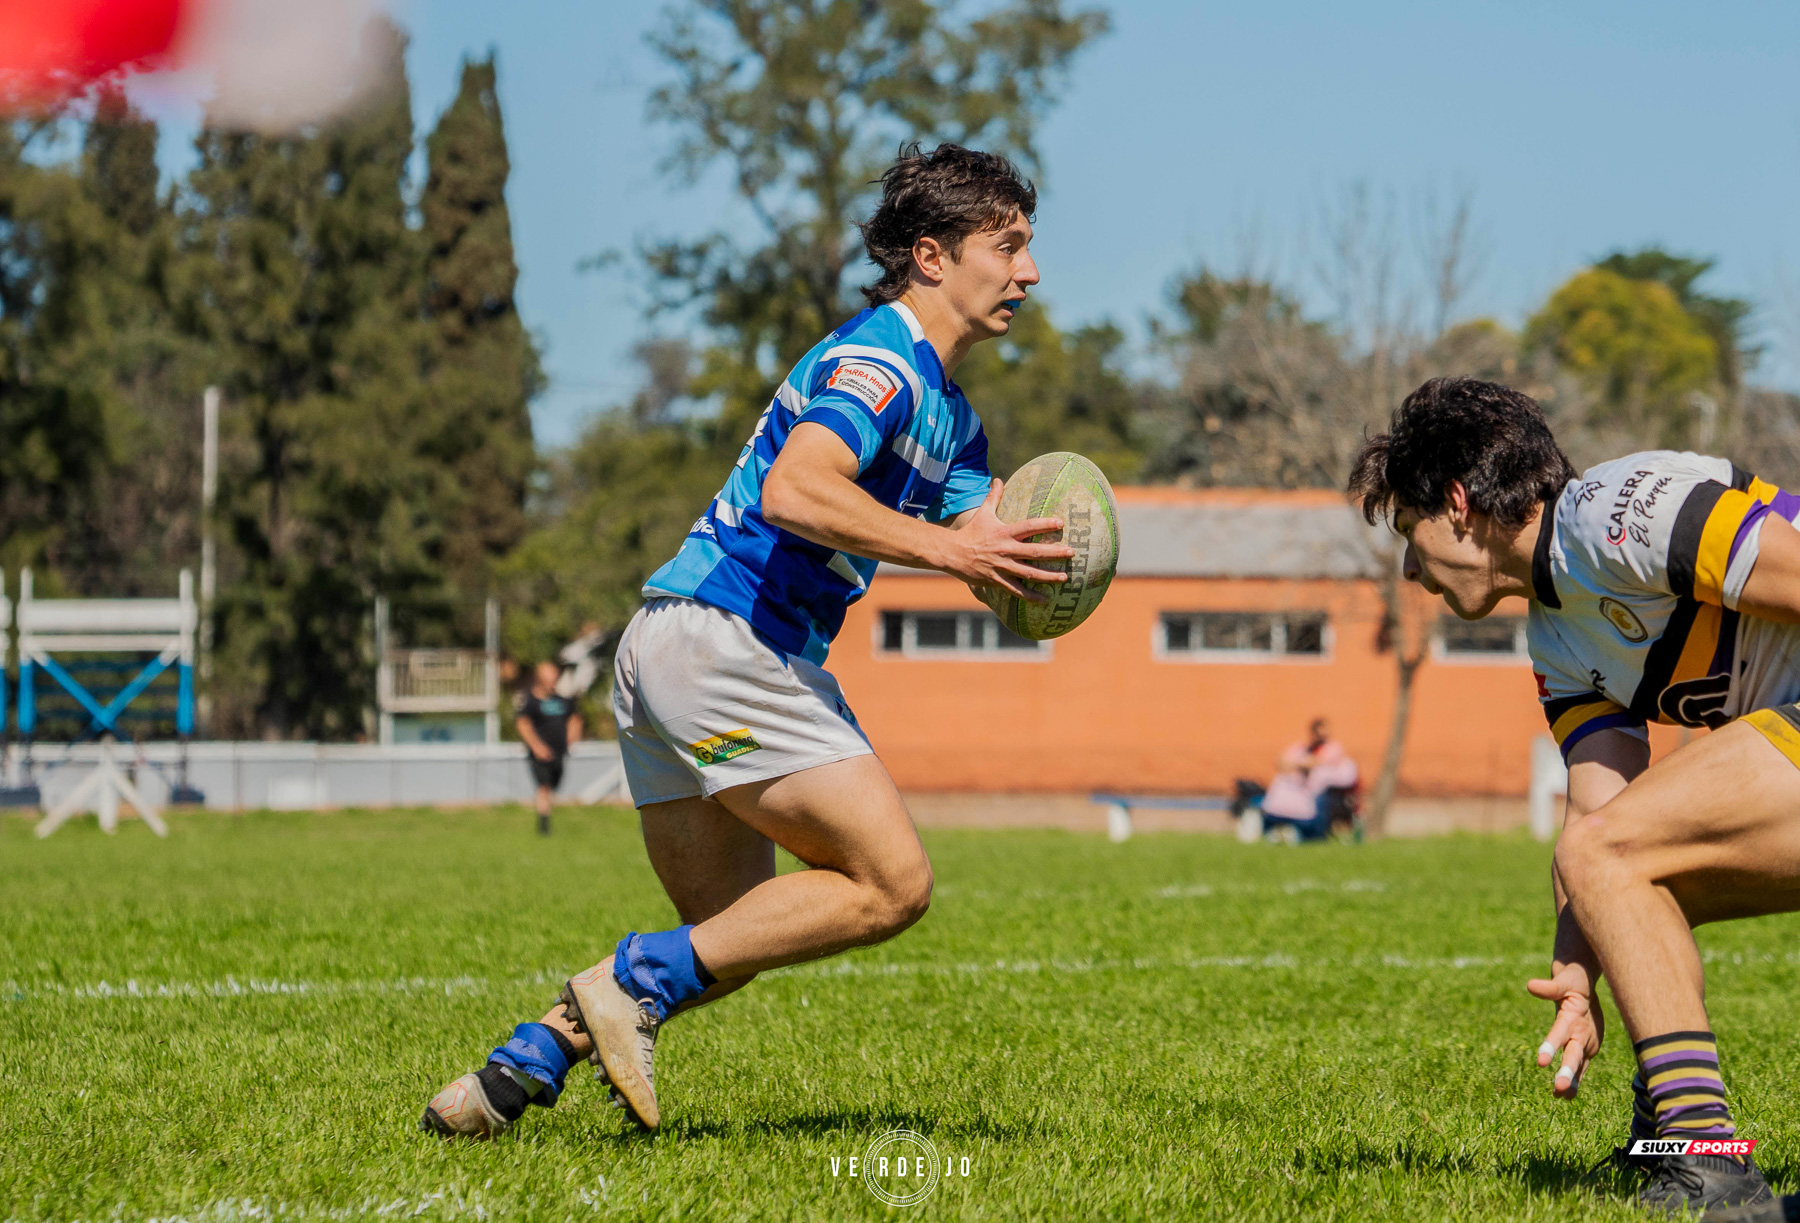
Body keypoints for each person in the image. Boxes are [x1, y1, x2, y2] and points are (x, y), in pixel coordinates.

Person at [422, 143, 1071, 1138]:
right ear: (933, 255)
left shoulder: (952, 416)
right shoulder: (881, 363)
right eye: (1010, 245)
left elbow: (982, 537)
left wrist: (1040, 565)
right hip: (730, 642)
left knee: (727, 940)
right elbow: (797, 489)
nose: (1029, 271)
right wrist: (947, 547)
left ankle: (512, 1071)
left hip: (676, 647)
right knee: (892, 884)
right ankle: (624, 977)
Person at [1349, 375, 1800, 1217]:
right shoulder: (1556, 636)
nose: (1411, 568)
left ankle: (1711, 1172)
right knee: (1633, 871)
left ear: (1457, 504)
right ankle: (1678, 1113)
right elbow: (1600, 816)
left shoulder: (1613, 512)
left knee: (1610, 857)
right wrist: (1579, 970)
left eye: (1409, 534)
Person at [1258, 717, 1359, 842]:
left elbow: (1316, 762)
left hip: (1326, 793)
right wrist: (1299, 764)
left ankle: (1313, 834)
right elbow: (1281, 762)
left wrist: (1296, 764)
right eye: (1319, 732)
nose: (1322, 736)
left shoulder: (1333, 748)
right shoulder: (1302, 748)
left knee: (1317, 805)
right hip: (1299, 791)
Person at [515, 660, 582, 837]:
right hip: (539, 754)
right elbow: (523, 724)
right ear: (540, 679)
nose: (553, 681)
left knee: (554, 786)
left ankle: (546, 815)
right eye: (549, 678)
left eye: (554, 678)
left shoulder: (564, 701)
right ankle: (544, 823)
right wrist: (537, 746)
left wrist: (571, 738)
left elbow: (575, 719)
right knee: (543, 786)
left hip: (560, 752)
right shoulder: (530, 702)